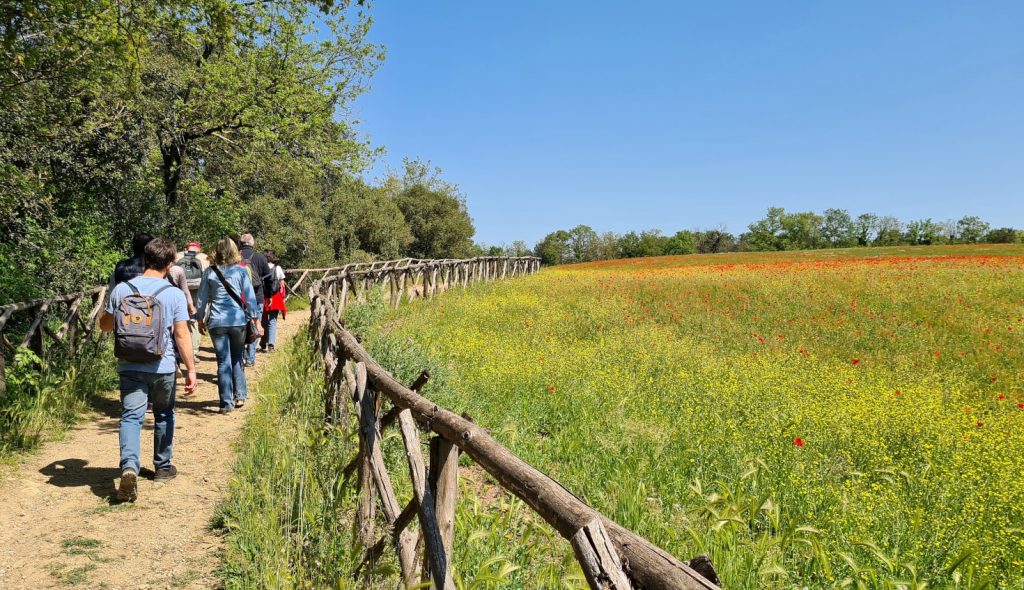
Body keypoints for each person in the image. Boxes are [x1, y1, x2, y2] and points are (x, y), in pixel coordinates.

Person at [99, 238, 197, 503]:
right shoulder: (173, 294)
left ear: (145, 259)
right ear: (169, 263)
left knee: (131, 417)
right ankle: (162, 467)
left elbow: (105, 326)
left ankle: (129, 466)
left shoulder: (122, 289)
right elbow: (181, 335)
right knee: (164, 413)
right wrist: (191, 369)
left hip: (129, 363)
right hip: (162, 366)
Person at [196, 238, 260, 413]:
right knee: (237, 358)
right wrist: (255, 319)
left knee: (223, 361)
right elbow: (250, 297)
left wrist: (199, 318)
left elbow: (201, 299)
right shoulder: (240, 272)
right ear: (234, 251)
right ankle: (240, 395)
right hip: (237, 320)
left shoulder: (209, 272)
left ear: (216, 252)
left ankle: (226, 402)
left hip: (216, 322)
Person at [237, 233, 271, 367]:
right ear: (253, 244)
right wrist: (268, 295)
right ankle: (250, 358)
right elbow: (268, 278)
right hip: (257, 297)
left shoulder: (235, 257)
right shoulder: (260, 258)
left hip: (238, 298)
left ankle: (241, 354)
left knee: (241, 326)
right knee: (255, 325)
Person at [175, 242, 209, 363]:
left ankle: (181, 351)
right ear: (199, 249)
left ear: (186, 248)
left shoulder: (178, 257)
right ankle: (193, 351)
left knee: (182, 320)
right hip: (198, 292)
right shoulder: (204, 258)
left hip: (181, 292)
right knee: (196, 320)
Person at [259, 251, 287, 353]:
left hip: (263, 296)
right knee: (272, 321)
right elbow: (282, 283)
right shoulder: (277, 268)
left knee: (263, 320)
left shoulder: (261, 267)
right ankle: (271, 344)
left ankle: (263, 342)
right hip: (275, 297)